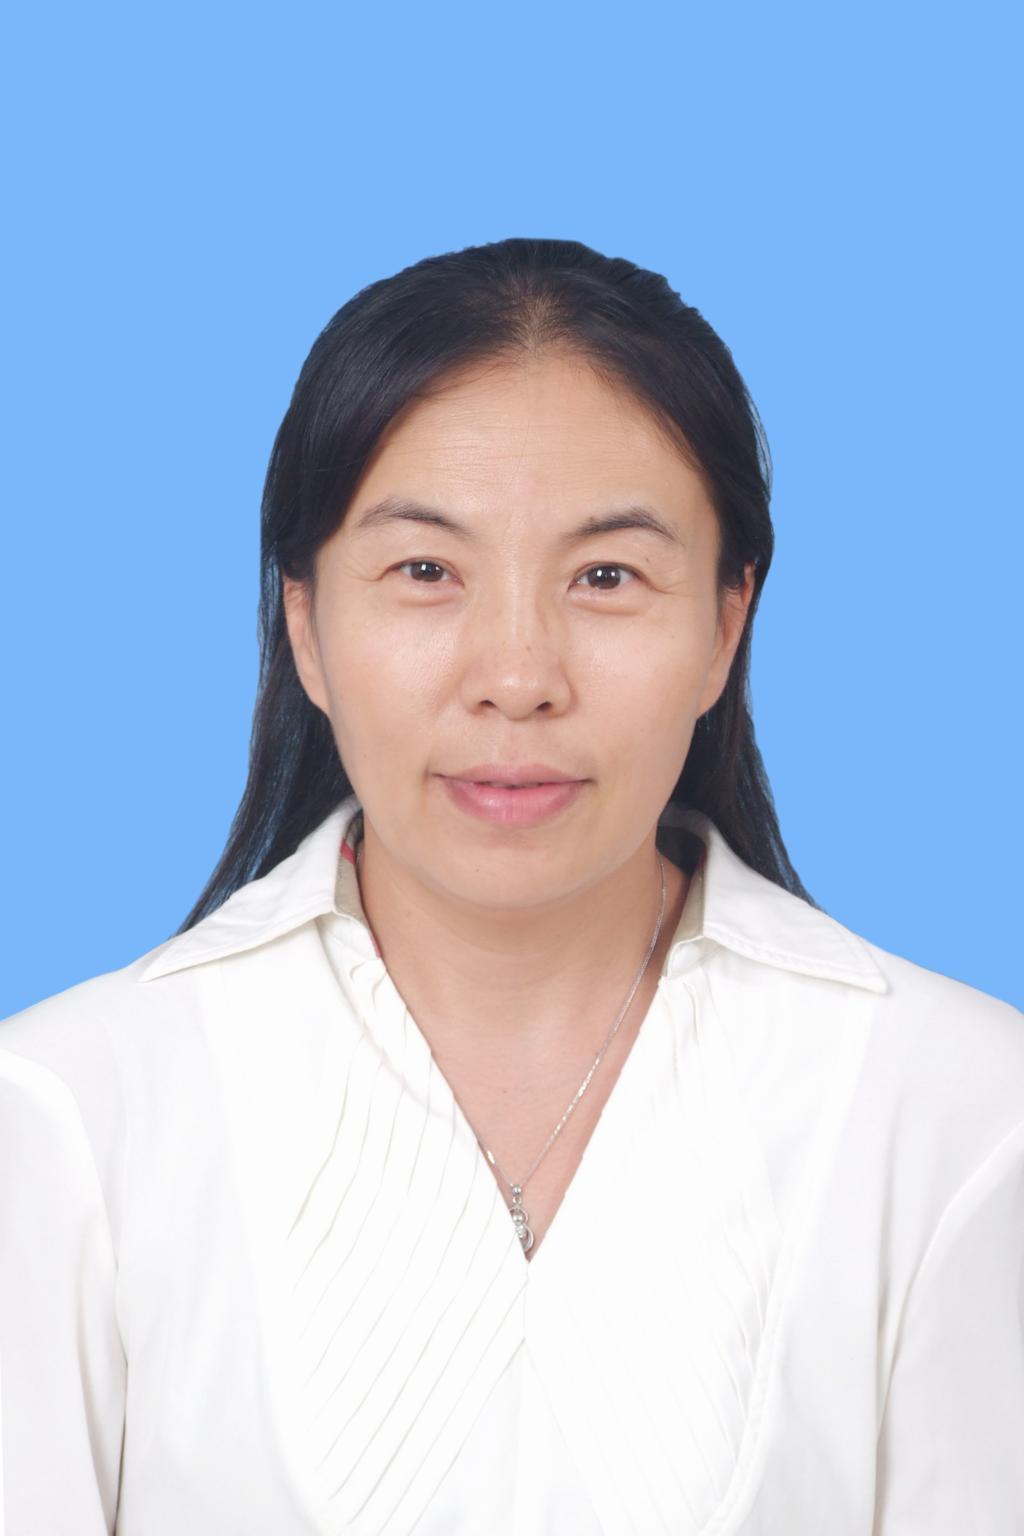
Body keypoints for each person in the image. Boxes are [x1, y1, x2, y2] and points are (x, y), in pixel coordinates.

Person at [1, 237, 1021, 1536]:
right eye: (426, 571)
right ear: (305, 623)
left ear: (725, 624)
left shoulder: (961, 1115)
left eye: (607, 577)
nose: (518, 676)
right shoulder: (66, 1116)